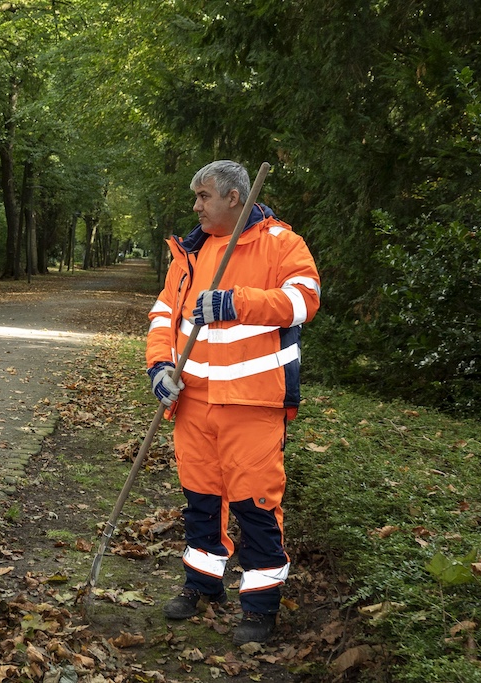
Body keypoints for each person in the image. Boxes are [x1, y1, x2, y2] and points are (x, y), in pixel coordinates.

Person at [145, 160, 321, 644]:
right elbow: (164, 314)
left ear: (234, 198)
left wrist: (237, 302)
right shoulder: (190, 253)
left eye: (203, 196)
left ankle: (260, 607)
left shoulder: (282, 244)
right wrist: (159, 368)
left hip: (252, 404)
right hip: (192, 403)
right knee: (200, 501)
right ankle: (202, 584)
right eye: (196, 197)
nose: (196, 206)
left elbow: (305, 300)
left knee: (255, 506)